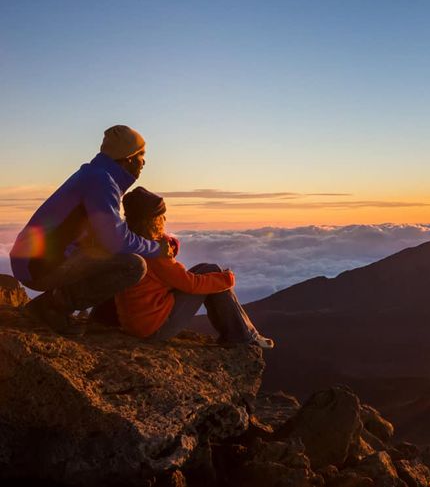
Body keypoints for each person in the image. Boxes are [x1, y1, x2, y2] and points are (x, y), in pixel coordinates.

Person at [10, 125, 171, 333]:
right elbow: (116, 240)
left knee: (114, 251)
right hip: (36, 265)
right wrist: (156, 248)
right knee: (133, 265)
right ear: (128, 157)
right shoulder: (102, 181)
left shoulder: (95, 175)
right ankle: (51, 308)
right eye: (141, 155)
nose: (144, 162)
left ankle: (52, 305)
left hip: (31, 259)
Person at [115, 186, 274, 348]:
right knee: (213, 276)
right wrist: (228, 279)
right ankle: (243, 337)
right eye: (162, 216)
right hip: (154, 327)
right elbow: (191, 284)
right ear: (154, 221)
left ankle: (243, 334)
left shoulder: (133, 244)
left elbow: (169, 276)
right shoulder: (155, 254)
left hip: (137, 322)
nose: (165, 220)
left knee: (208, 269)